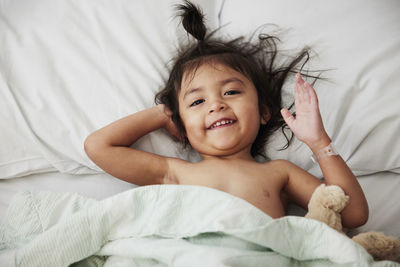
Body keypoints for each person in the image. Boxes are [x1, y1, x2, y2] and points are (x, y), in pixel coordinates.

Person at [84, 1, 368, 228]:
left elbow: (353, 214)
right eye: (196, 102)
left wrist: (319, 144)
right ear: (181, 126)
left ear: (263, 113)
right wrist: (161, 114)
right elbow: (98, 147)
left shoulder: (279, 173)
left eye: (231, 92)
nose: (215, 105)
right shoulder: (175, 172)